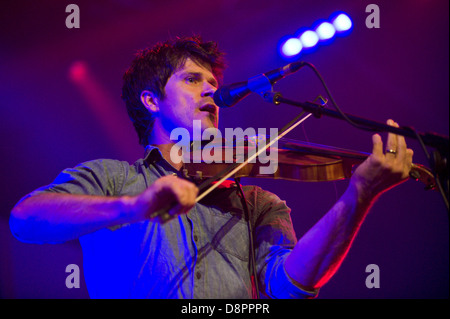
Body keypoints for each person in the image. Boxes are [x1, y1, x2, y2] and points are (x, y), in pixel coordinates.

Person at [9, 36, 413, 299]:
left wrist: (358, 196)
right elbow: (25, 220)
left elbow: (290, 288)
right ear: (151, 101)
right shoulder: (114, 178)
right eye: (191, 80)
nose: (210, 92)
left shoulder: (257, 201)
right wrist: (133, 207)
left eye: (213, 86)